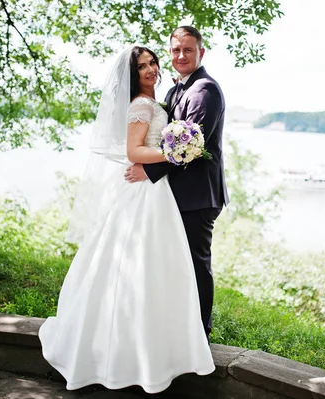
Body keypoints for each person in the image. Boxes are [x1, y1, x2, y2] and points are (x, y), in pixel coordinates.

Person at [38, 45, 215, 394]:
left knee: (157, 271)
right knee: (130, 269)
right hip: (142, 196)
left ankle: (153, 351)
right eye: (141, 67)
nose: (150, 70)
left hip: (156, 194)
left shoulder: (158, 102)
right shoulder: (140, 105)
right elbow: (134, 151)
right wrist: (178, 151)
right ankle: (120, 356)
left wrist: (177, 150)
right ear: (132, 75)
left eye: (152, 63)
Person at [125, 26, 229, 342]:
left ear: (201, 52)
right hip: (176, 194)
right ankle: (176, 332)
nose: (180, 56)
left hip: (198, 195)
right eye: (175, 50)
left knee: (196, 265)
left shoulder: (204, 91)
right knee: (175, 264)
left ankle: (200, 334)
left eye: (187, 50)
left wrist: (149, 172)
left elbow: (191, 148)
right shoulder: (174, 91)